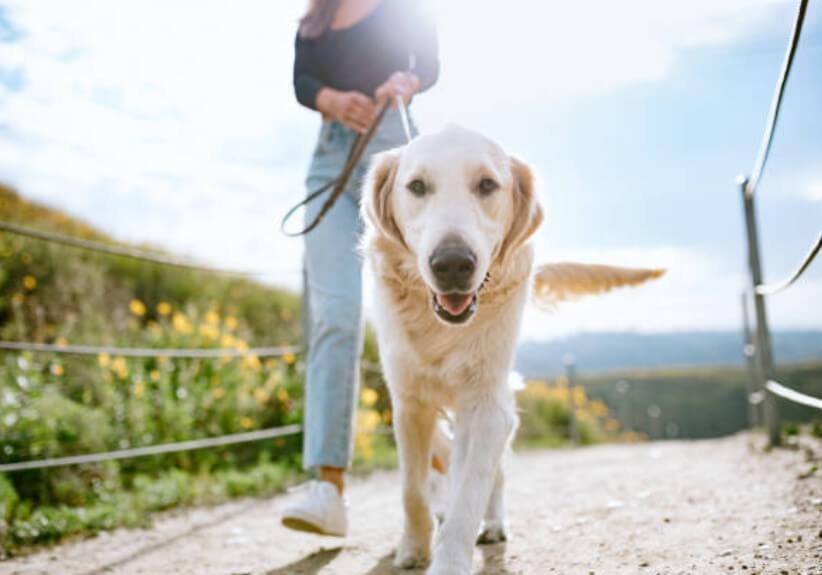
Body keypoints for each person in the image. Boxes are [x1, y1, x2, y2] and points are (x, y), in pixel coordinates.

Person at [281, 0, 439, 537]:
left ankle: (441, 461)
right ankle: (328, 488)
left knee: (420, 307)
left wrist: (406, 80)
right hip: (329, 160)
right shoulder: (315, 19)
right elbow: (302, 81)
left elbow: (431, 64)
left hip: (395, 153)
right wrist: (329, 97)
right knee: (336, 313)